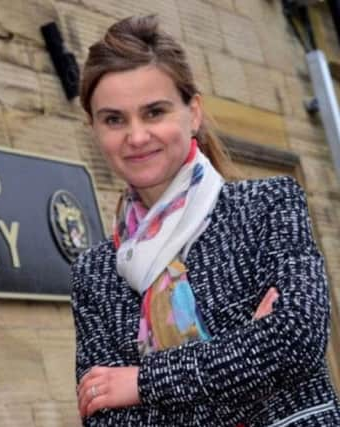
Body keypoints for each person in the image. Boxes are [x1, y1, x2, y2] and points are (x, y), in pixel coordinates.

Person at [71, 14, 340, 426]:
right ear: (94, 130)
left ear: (193, 112)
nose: (137, 136)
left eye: (154, 112)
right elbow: (106, 418)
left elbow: (297, 340)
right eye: (114, 119)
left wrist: (143, 383)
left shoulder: (267, 206)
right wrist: (247, 354)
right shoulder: (95, 274)